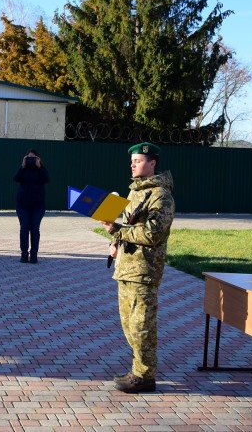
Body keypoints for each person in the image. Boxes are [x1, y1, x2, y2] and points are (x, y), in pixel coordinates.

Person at [100, 142, 175, 394]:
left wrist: (118, 231)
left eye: (139, 160)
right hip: (126, 267)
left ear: (152, 163)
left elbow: (152, 233)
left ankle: (145, 376)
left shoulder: (161, 196)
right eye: (132, 161)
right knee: (129, 325)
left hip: (144, 270)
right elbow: (127, 224)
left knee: (142, 325)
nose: (133, 164)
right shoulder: (134, 193)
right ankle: (138, 369)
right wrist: (115, 241)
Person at [14, 149, 49, 263]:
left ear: (38, 159)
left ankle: (34, 255)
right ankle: (24, 255)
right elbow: (16, 178)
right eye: (28, 158)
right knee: (24, 229)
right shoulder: (23, 170)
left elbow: (46, 179)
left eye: (33, 158)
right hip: (23, 205)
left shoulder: (41, 170)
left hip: (38, 206)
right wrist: (22, 166)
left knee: (34, 229)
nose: (31, 160)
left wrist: (39, 166)